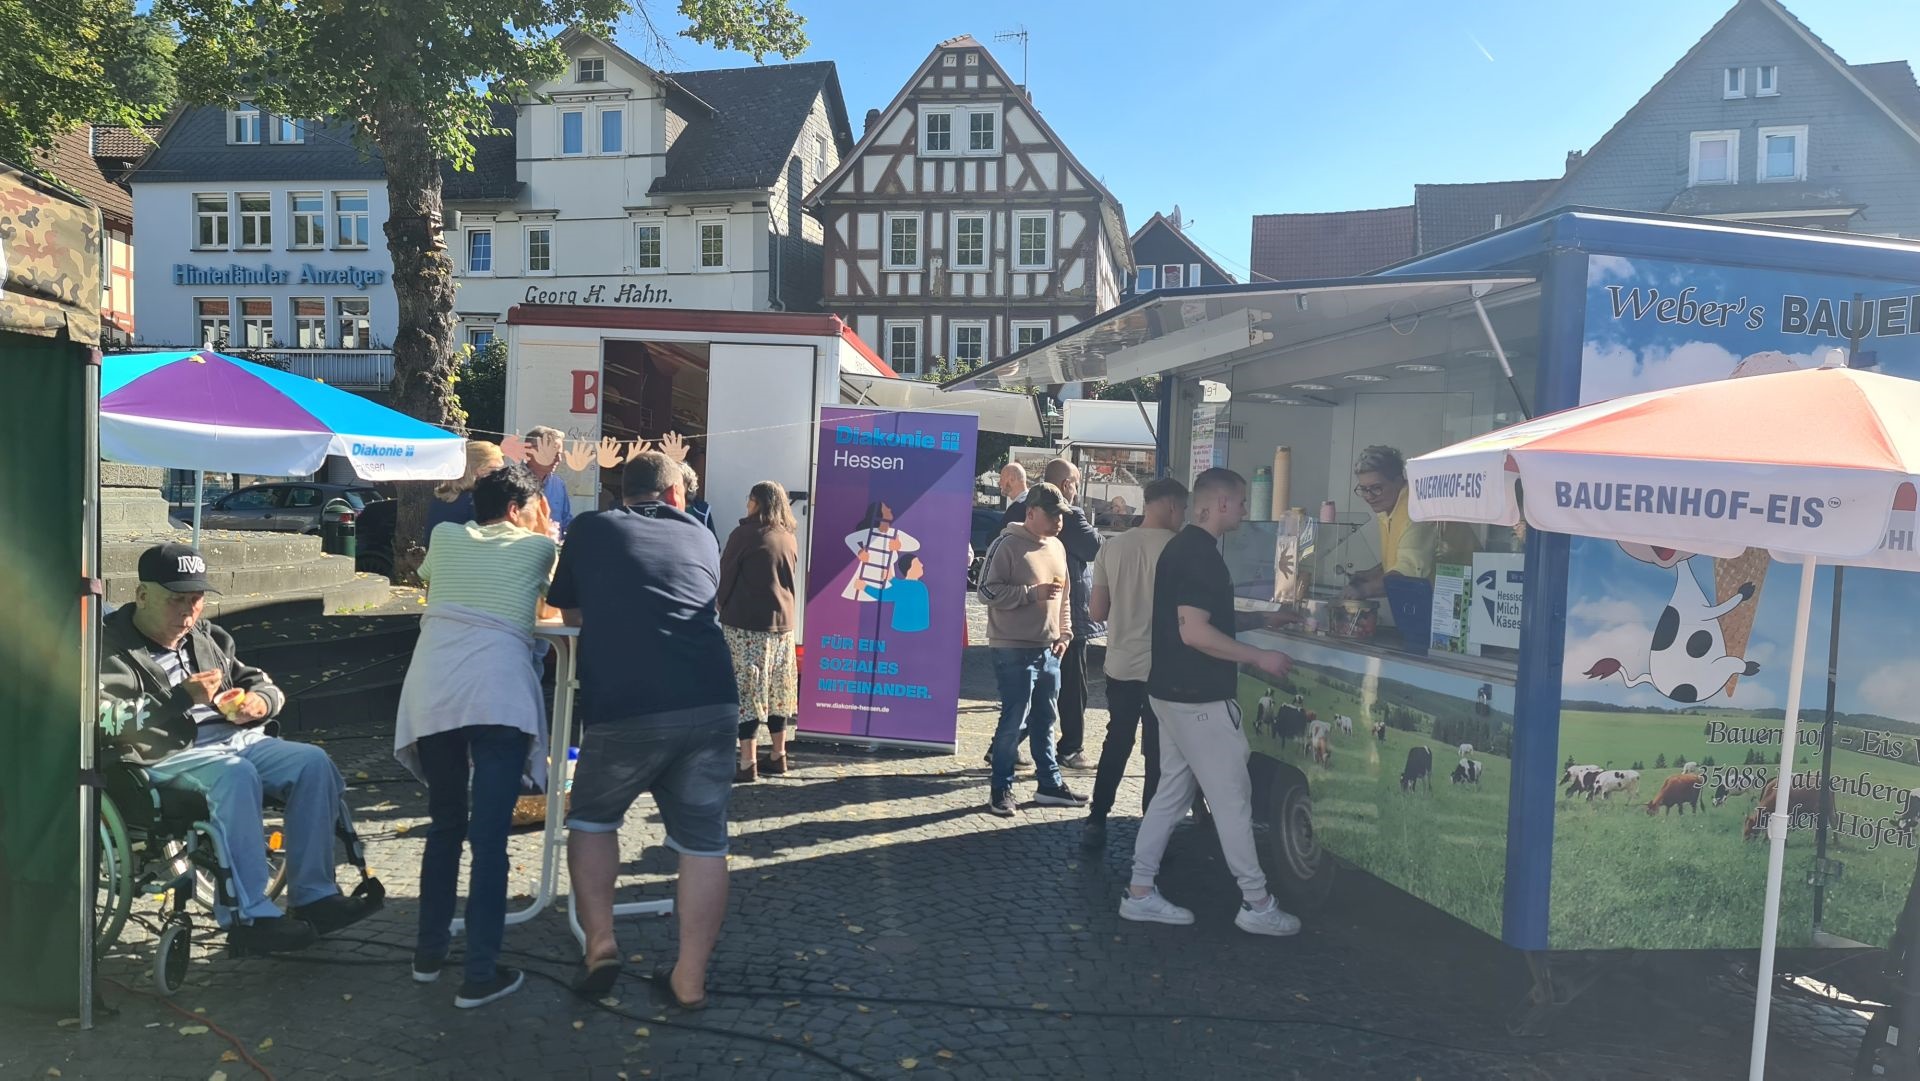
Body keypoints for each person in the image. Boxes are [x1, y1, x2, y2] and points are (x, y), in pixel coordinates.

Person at [97, 544, 381, 954]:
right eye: (176, 600)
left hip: (235, 739)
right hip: (164, 753)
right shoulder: (107, 646)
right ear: (142, 595)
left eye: (196, 599)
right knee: (236, 775)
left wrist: (260, 703)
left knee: (312, 763)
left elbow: (260, 682)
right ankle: (250, 918)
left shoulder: (205, 636)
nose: (188, 612)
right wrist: (180, 698)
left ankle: (314, 897)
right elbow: (106, 721)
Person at [550, 451, 737, 1009]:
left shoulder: (591, 528)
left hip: (626, 702)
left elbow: (570, 615)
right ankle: (690, 979)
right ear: (676, 494)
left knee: (592, 819)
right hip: (711, 699)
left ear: (621, 491)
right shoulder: (701, 534)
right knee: (705, 843)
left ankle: (601, 944)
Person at [394, 465, 557, 1008]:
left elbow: (434, 582)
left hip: (433, 690)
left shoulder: (444, 535)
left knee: (444, 825)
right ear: (516, 509)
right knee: (489, 841)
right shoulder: (540, 548)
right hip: (499, 694)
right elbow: (549, 608)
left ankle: (427, 954)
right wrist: (544, 531)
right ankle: (480, 974)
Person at [1121, 468, 1302, 937]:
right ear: (1221, 504)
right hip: (1199, 700)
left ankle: (1139, 891)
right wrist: (1260, 657)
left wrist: (1263, 620)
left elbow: (1200, 618)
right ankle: (1257, 903)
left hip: (1169, 693)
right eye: (1240, 502)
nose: (1244, 510)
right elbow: (1195, 632)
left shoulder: (1182, 548)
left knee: (1172, 795)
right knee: (1232, 802)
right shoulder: (1202, 556)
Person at [1082, 477, 1188, 851]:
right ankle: (1153, 832)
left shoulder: (1112, 548)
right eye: (1183, 509)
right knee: (1159, 752)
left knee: (1117, 740)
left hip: (1122, 664)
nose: (1183, 517)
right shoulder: (1182, 549)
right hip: (1167, 668)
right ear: (1172, 506)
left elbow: (1097, 611)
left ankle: (1097, 818)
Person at [976, 481, 1085, 817]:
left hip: (1050, 648)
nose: (1059, 521)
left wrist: (1064, 633)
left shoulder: (1058, 547)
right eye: (1053, 515)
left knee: (1045, 719)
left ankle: (1049, 784)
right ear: (1032, 512)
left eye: (1062, 515)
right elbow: (986, 591)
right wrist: (1029, 594)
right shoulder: (1006, 544)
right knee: (1014, 719)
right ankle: (1001, 788)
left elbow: (1064, 596)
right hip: (1012, 648)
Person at [718, 480, 800, 783]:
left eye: (749, 498)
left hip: (746, 624)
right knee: (779, 690)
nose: (746, 504)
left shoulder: (744, 535)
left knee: (747, 691)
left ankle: (747, 762)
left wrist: (720, 605)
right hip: (783, 625)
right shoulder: (788, 537)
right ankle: (778, 755)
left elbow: (726, 576)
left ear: (757, 502)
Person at [1342, 445, 1475, 599]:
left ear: (1399, 481)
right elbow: (1405, 554)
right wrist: (1372, 574)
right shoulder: (1387, 505)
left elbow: (1408, 572)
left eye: (1376, 488)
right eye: (1364, 489)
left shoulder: (1416, 510)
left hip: (1463, 598)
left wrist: (1364, 590)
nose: (1369, 496)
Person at [1042, 458, 1102, 771]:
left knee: (1039, 683)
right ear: (1067, 485)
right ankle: (1071, 748)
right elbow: (1096, 548)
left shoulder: (1030, 508)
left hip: (1042, 614)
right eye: (1076, 483)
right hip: (1071, 615)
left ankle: (1004, 746)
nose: (1077, 490)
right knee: (1073, 686)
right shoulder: (1071, 515)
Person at [424, 440, 505, 548]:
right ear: (478, 470)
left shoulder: (439, 497)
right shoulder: (478, 501)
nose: (502, 476)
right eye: (497, 470)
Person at [842, 501, 920, 601]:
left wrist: (899, 545)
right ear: (879, 514)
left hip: (885, 583)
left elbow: (916, 545)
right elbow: (850, 539)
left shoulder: (894, 533)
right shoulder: (869, 533)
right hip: (866, 580)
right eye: (886, 508)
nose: (890, 509)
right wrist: (859, 552)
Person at [524, 425, 575, 539]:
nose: (559, 459)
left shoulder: (558, 484)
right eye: (553, 453)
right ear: (531, 451)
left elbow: (565, 523)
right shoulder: (509, 482)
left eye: (560, 454)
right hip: (521, 548)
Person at [865, 554, 930, 633]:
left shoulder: (911, 587)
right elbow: (903, 587)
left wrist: (864, 587)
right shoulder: (920, 586)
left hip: (902, 627)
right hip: (918, 627)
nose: (921, 565)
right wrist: (891, 579)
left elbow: (883, 595)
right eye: (917, 563)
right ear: (909, 569)